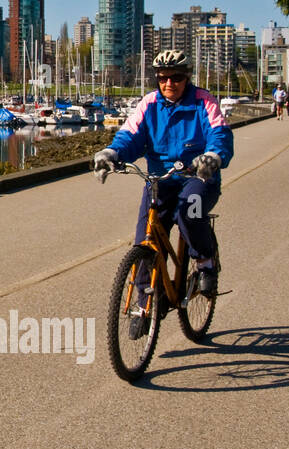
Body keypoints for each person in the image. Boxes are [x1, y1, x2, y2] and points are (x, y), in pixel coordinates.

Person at [93, 50, 233, 302]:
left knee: (190, 210)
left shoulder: (204, 101)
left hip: (198, 178)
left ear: (187, 78)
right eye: (163, 78)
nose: (170, 83)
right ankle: (145, 305)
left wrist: (213, 157)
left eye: (176, 78)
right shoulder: (149, 103)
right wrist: (111, 152)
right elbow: (131, 135)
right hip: (161, 180)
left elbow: (219, 134)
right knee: (145, 240)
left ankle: (205, 262)